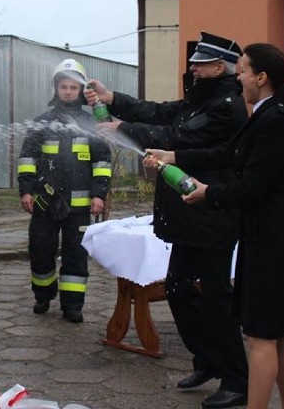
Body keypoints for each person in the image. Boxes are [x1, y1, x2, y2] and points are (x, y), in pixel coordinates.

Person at [147, 43, 284, 409]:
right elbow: (227, 153)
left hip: (276, 240)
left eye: (241, 70)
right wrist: (173, 156)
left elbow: (253, 187)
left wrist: (208, 194)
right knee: (278, 334)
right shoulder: (267, 113)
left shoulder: (276, 120)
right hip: (273, 235)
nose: (236, 77)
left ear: (261, 77)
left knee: (260, 337)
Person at [86, 32, 250, 409]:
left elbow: (179, 135)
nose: (192, 66)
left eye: (200, 62)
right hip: (189, 218)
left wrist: (121, 129)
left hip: (212, 217)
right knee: (176, 288)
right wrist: (114, 101)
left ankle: (237, 380)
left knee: (215, 299)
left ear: (219, 67)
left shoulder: (226, 105)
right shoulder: (199, 99)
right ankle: (206, 360)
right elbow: (161, 113)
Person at [17, 59, 112, 323]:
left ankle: (72, 305)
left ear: (81, 91)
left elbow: (102, 163)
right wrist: (26, 191)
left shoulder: (93, 124)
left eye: (73, 87)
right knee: (40, 250)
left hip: (80, 207)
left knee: (76, 255)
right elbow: (28, 159)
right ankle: (43, 295)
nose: (68, 91)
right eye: (63, 86)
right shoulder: (42, 123)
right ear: (56, 88)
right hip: (45, 202)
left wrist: (99, 194)